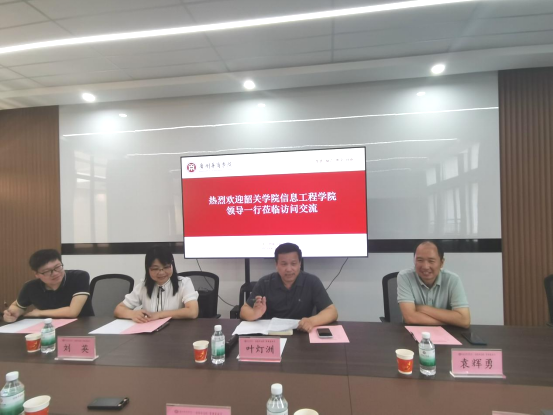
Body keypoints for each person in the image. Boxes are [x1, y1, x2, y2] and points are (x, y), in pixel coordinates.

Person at [240, 242, 338, 332]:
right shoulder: (265, 282)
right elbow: (244, 310)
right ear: (276, 265)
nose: (289, 269)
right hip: (272, 335)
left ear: (300, 264)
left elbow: (332, 311)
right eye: (284, 264)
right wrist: (255, 314)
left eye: (293, 264)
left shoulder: (312, 281)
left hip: (301, 333)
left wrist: (311, 321)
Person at [3, 249, 93, 322]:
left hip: (83, 326)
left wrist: (40, 313)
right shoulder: (30, 287)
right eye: (46, 271)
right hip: (48, 328)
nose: (55, 273)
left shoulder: (79, 277)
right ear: (36, 274)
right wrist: (12, 313)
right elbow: (17, 306)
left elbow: (72, 312)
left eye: (57, 267)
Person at [114, 245, 199, 323]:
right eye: (155, 269)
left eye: (166, 267)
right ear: (148, 269)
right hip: (149, 332)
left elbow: (192, 311)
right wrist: (133, 314)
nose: (161, 272)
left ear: (172, 265)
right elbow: (119, 309)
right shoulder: (143, 286)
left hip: (176, 331)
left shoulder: (184, 283)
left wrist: (159, 315)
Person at [397, 240, 470, 328]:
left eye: (431, 261)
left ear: (441, 263)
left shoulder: (452, 279)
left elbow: (464, 320)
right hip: (412, 333)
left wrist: (423, 308)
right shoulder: (405, 277)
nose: (425, 266)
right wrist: (452, 321)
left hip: (446, 334)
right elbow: (410, 318)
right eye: (420, 260)